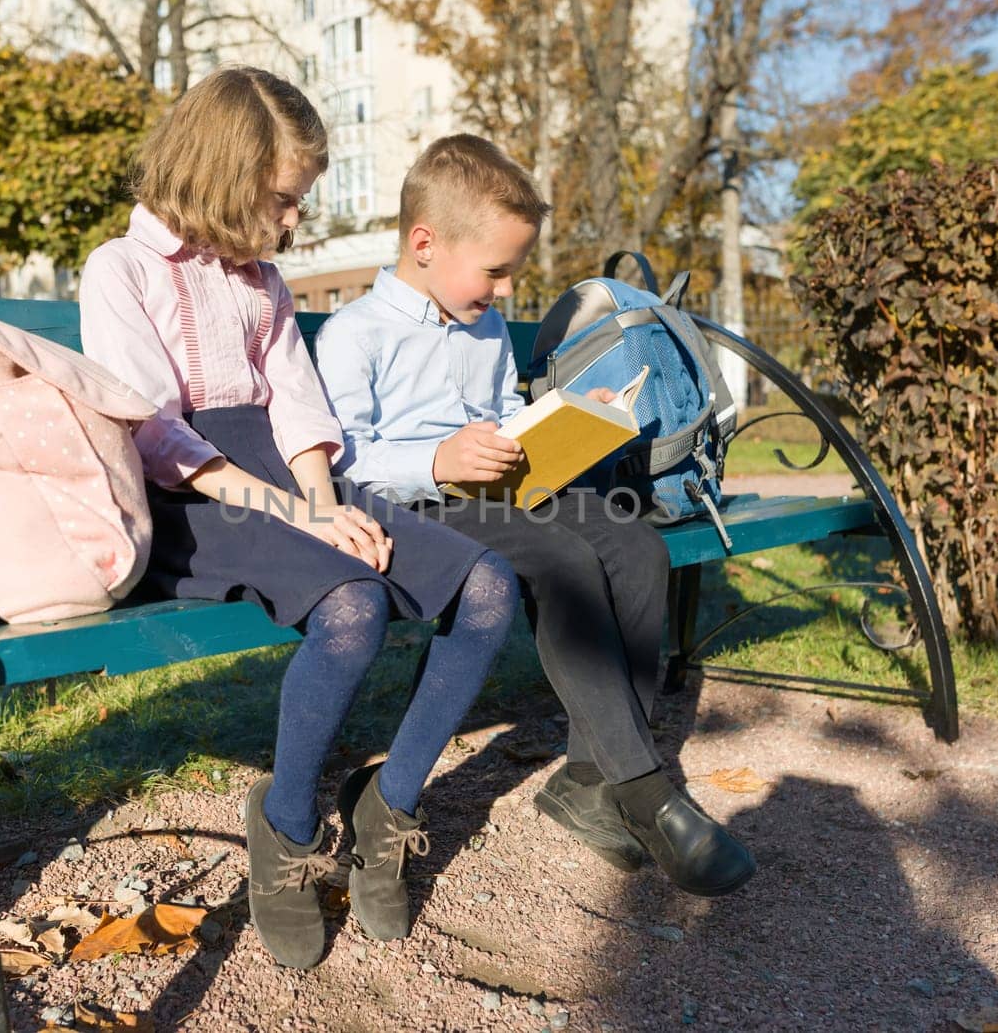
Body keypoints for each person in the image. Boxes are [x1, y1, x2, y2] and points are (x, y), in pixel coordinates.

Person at [78, 71, 519, 968]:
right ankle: (285, 832)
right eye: (283, 200)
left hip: (284, 477)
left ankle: (389, 806)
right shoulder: (120, 269)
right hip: (193, 498)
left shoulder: (263, 281)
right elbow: (160, 438)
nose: (291, 222)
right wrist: (301, 519)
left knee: (486, 585)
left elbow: (299, 409)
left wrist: (324, 506)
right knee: (351, 606)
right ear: (221, 172)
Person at [315, 134, 755, 898]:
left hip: (505, 487)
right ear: (425, 243)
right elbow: (345, 460)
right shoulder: (357, 333)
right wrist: (439, 461)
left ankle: (589, 779)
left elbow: (499, 416)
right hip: (418, 504)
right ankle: (646, 790)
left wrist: (569, 417)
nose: (506, 290)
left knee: (635, 549)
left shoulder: (481, 326)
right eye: (497, 270)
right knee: (563, 565)